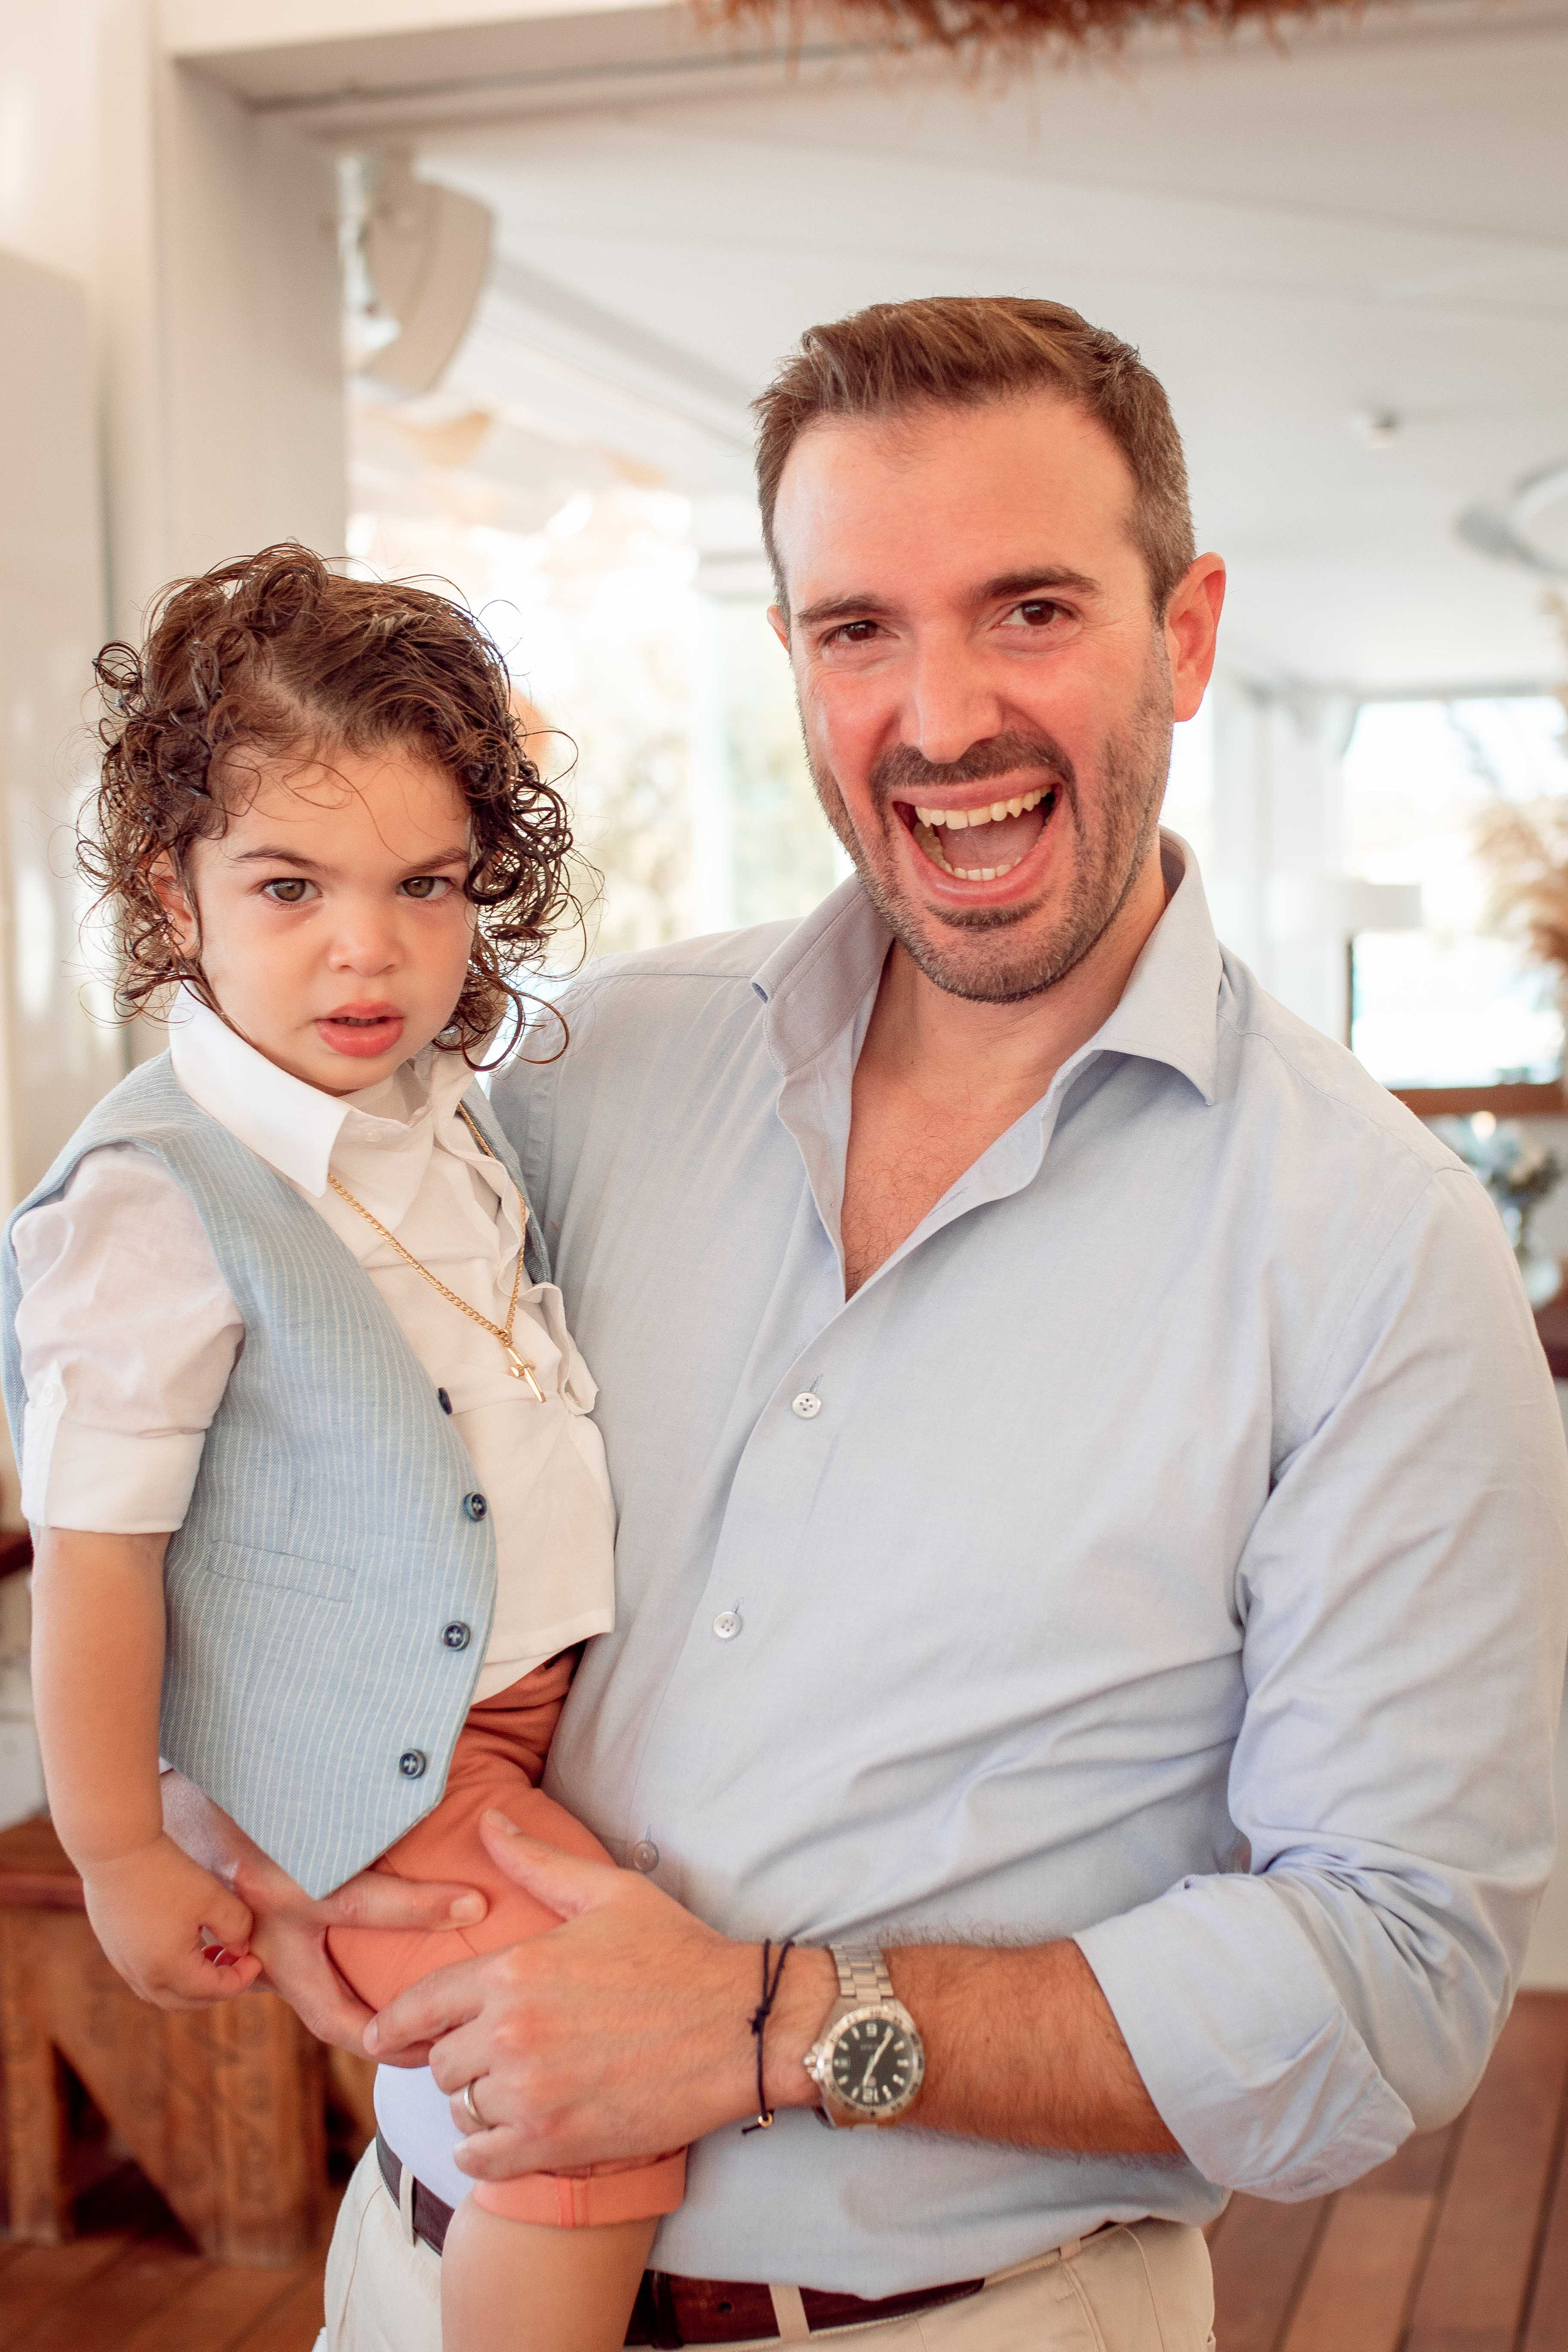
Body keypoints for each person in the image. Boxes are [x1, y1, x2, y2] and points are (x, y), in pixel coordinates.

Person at [180, 298, 1566, 2352]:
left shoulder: (1377, 1247)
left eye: (1028, 610)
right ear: (795, 664)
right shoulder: (578, 1078)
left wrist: (774, 2026)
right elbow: (317, 1462)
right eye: (859, 630)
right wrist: (249, 1811)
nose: (940, 720)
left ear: (1183, 635)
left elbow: (1396, 1976)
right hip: (414, 2273)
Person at [1, 550, 688, 2352]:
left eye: (427, 885)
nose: (366, 946)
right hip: (398, 1760)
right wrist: (131, 1850)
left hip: (545, 1714)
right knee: (574, 2123)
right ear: (177, 891)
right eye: (290, 886)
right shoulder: (154, 1201)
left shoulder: (441, 1122)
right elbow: (99, 1556)